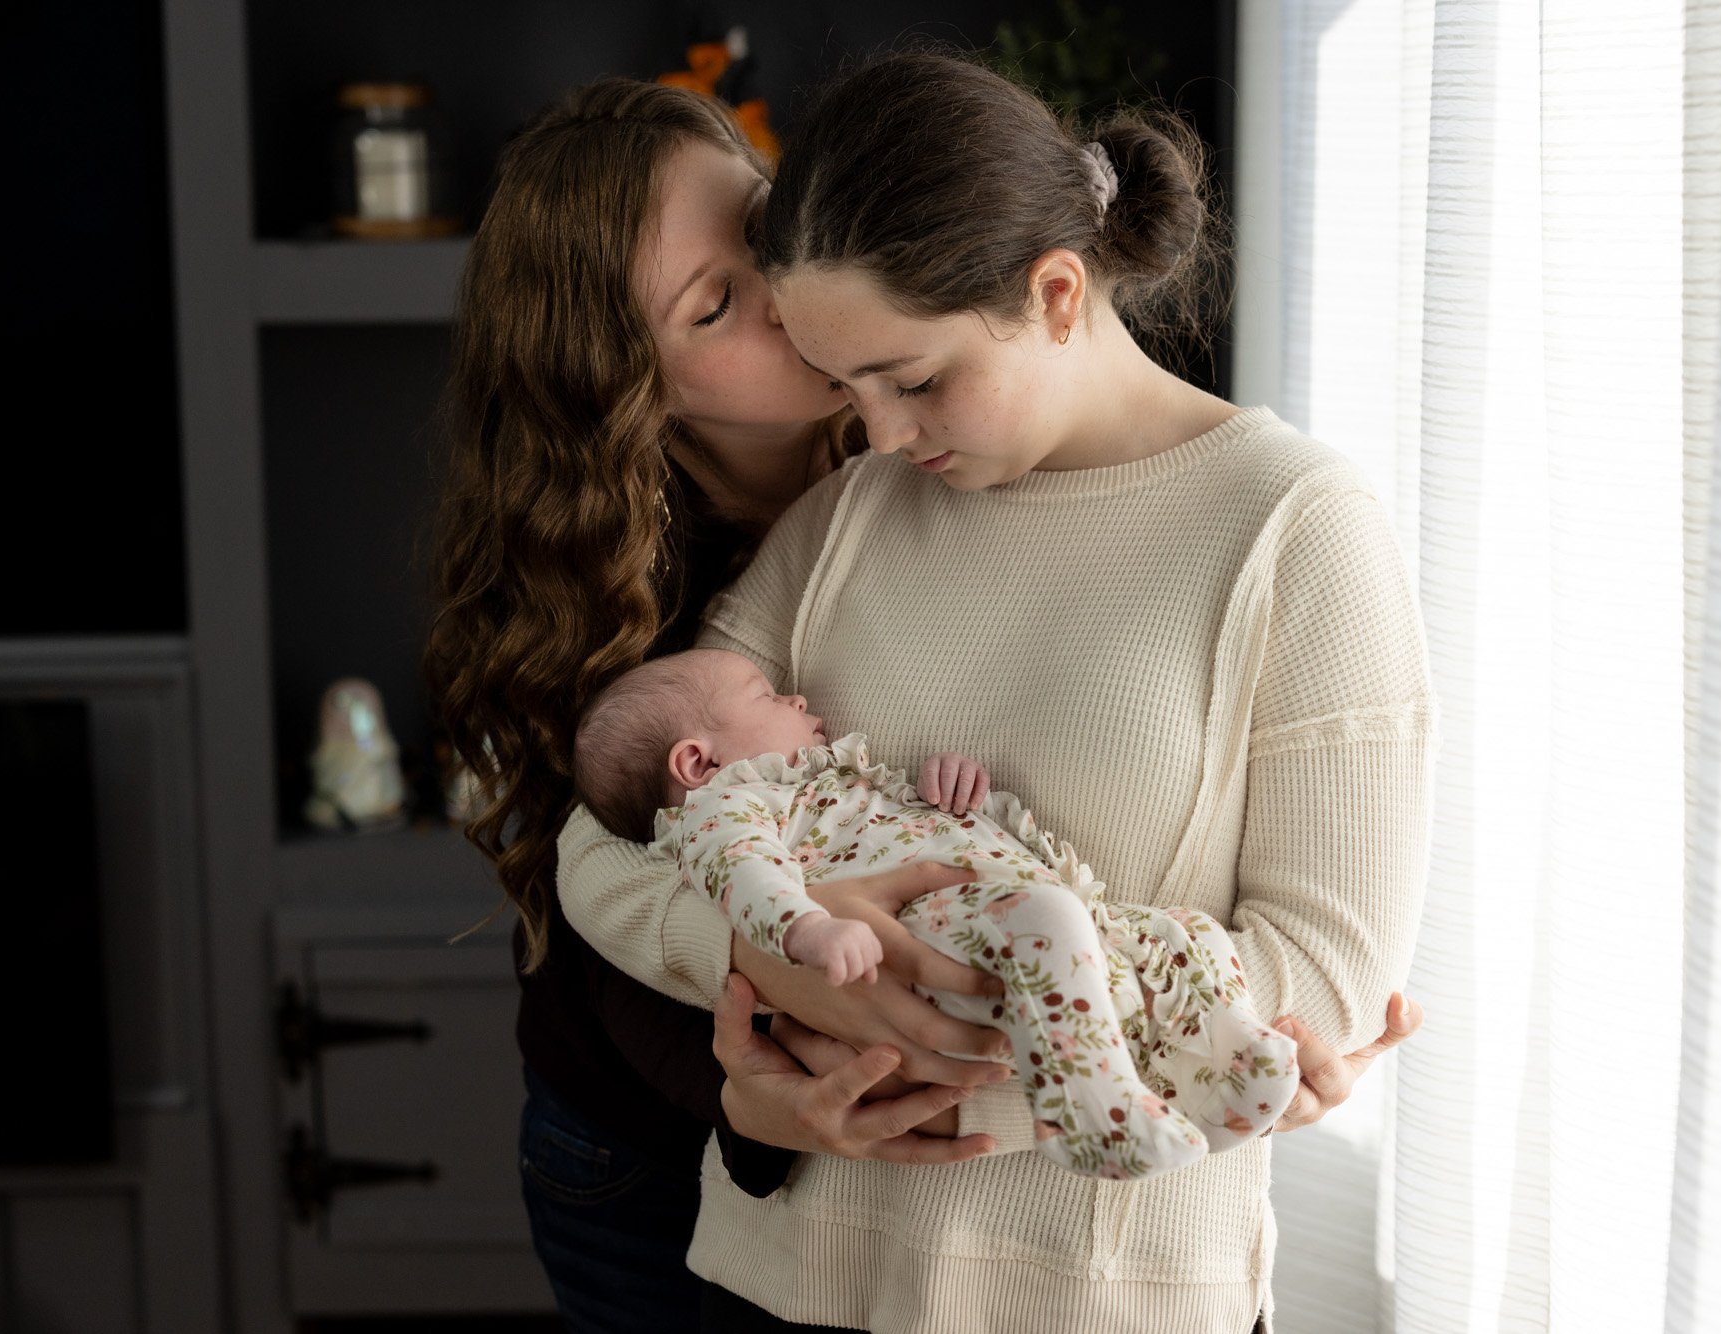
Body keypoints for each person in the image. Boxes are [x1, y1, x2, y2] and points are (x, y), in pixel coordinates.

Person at [424, 71, 1422, 1334]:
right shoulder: (840, 514)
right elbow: (604, 852)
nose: (876, 425)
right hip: (734, 1214)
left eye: (905, 378)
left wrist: (969, 1046)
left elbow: (1322, 973)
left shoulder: (1294, 528)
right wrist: (770, 985)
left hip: (1103, 1286)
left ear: (1053, 292)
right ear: (638, 389)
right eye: (727, 306)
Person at [572, 645, 1300, 1180]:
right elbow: (744, 875)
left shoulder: (827, 786)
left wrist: (953, 794)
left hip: (1010, 911)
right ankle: (1088, 1117)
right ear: (696, 764)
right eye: (767, 697)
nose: (795, 700)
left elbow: (929, 829)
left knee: (1183, 932)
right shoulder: (727, 807)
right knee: (1047, 918)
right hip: (934, 936)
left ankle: (1228, 1075)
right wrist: (806, 930)